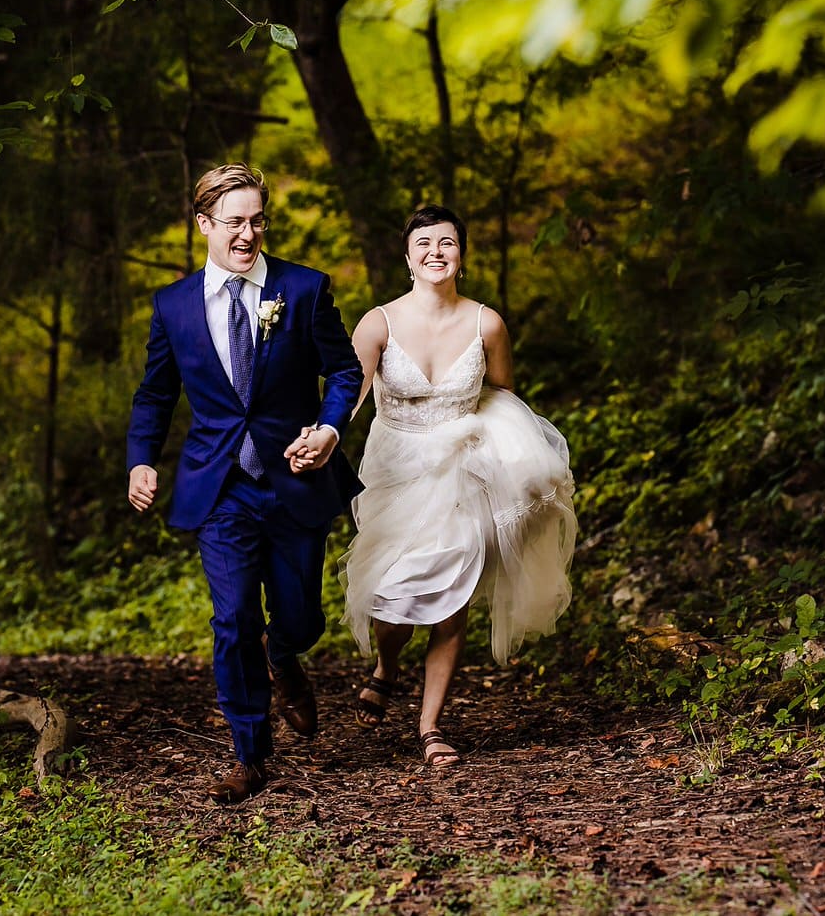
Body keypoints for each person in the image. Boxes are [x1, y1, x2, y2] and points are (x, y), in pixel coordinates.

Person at [298, 205, 575, 768]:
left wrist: (510, 452)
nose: (436, 252)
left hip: (462, 465)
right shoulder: (379, 323)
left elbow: (503, 392)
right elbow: (348, 395)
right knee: (394, 596)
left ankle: (430, 727)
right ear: (407, 257)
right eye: (424, 243)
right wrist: (323, 435)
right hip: (394, 465)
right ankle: (387, 665)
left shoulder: (487, 323)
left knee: (452, 597)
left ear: (462, 256)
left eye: (447, 243)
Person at [126, 163, 363, 804]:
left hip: (295, 476)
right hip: (220, 486)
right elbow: (155, 394)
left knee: (301, 618)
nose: (248, 234)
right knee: (232, 619)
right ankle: (249, 755)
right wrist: (141, 459)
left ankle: (283, 656)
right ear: (203, 224)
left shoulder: (304, 289)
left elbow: (343, 373)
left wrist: (329, 430)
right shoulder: (173, 307)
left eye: (258, 220)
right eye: (235, 222)